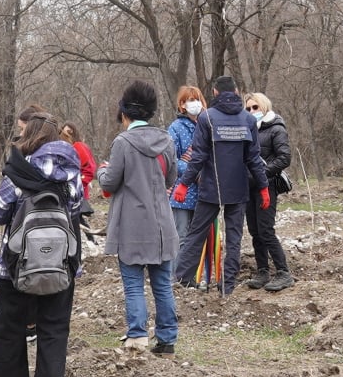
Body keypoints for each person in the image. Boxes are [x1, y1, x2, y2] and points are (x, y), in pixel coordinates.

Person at [0, 109, 84, 377]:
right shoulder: (72, 171)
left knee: (7, 325)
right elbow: (76, 208)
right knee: (55, 323)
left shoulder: (19, 169)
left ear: (31, 135)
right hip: (61, 262)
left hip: (16, 263)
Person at [98, 81, 179, 355]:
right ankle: (167, 340)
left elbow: (109, 183)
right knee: (163, 285)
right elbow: (171, 178)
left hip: (131, 227)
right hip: (162, 226)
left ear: (124, 114)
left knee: (134, 285)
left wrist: (101, 171)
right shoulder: (166, 140)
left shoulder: (123, 143)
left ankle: (137, 336)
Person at [175, 76, 267, 295]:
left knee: (196, 234)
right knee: (234, 239)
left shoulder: (206, 118)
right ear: (236, 92)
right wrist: (263, 187)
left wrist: (183, 184)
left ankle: (182, 282)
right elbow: (254, 158)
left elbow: (198, 157)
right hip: (238, 189)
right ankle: (227, 288)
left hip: (210, 188)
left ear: (215, 93)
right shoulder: (248, 119)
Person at [241, 92, 294, 291]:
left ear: (264, 106)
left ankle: (283, 272)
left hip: (267, 185)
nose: (252, 111)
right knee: (255, 231)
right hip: (248, 186)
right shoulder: (246, 130)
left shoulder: (276, 128)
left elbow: (284, 157)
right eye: (248, 108)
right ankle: (262, 270)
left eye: (255, 107)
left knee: (266, 229)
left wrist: (262, 173)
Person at [167, 86, 206, 286]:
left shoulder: (207, 124)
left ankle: (199, 276)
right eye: (189, 100)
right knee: (181, 236)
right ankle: (178, 277)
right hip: (182, 191)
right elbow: (172, 159)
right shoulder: (175, 128)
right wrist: (193, 172)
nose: (194, 103)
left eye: (196, 99)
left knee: (200, 237)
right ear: (181, 104)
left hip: (205, 191)